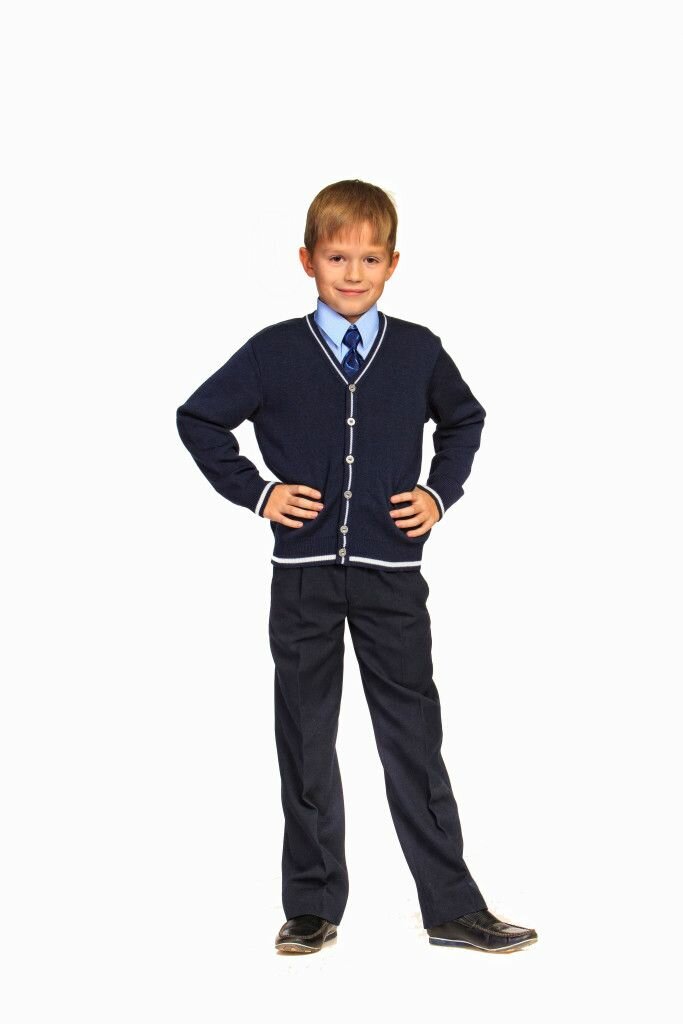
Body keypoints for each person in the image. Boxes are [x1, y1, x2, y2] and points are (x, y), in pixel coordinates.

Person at [176, 179, 537, 955]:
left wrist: (437, 494)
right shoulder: (273, 350)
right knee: (305, 734)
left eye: (369, 258)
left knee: (413, 734)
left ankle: (451, 906)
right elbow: (199, 417)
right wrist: (259, 493)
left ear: (392, 264)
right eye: (336, 256)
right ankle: (310, 905)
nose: (352, 272)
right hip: (303, 575)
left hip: (391, 575)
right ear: (306, 260)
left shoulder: (417, 350)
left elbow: (464, 419)